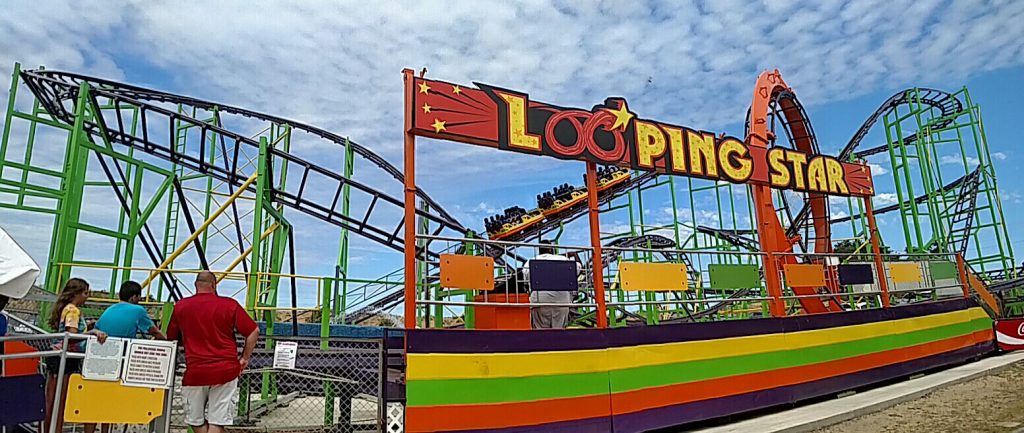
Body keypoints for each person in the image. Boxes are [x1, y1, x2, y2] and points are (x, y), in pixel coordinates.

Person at [166, 271, 259, 433]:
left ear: (195, 285)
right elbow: (253, 331)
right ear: (214, 285)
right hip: (226, 370)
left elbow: (171, 337)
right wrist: (244, 358)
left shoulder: (181, 306)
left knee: (195, 421)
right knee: (217, 422)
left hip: (195, 371)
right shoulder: (230, 305)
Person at [43, 278, 108, 433]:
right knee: (60, 401)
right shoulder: (73, 310)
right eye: (85, 293)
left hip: (57, 354)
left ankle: (48, 429)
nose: (87, 296)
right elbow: (71, 335)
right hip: (67, 357)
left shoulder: (66, 308)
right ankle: (56, 429)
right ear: (76, 293)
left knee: (51, 400)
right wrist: (91, 332)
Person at [523, 240, 576, 329]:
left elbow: (526, 282)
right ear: (552, 250)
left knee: (540, 333)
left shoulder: (531, 261)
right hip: (562, 300)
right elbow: (577, 269)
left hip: (539, 300)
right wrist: (575, 255)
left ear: (539, 250)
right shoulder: (563, 260)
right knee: (559, 332)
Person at [95, 281, 166, 340]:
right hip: (123, 349)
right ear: (134, 297)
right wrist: (167, 340)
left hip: (104, 346)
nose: (139, 300)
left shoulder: (110, 308)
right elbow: (154, 332)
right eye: (139, 297)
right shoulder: (138, 310)